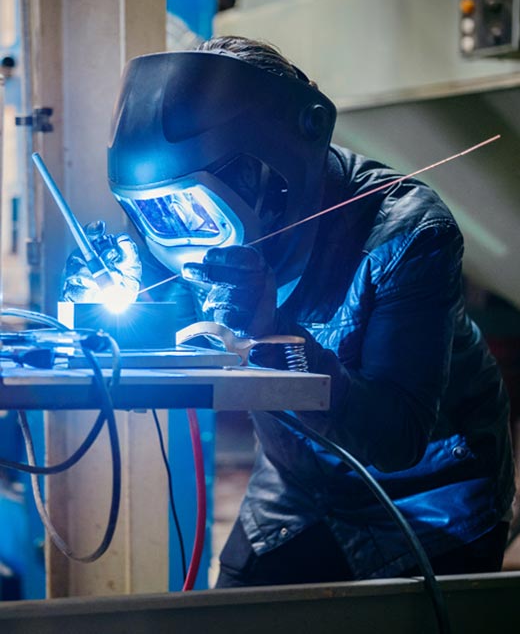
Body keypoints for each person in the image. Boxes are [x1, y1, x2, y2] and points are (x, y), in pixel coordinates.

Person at [63, 36, 515, 587]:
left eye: (191, 208)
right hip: (297, 485)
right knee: (229, 623)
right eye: (159, 213)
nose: (186, 238)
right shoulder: (211, 213)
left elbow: (399, 436)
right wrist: (114, 285)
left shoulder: (407, 233)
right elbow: (169, 314)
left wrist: (273, 334)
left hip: (428, 499)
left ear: (270, 174)